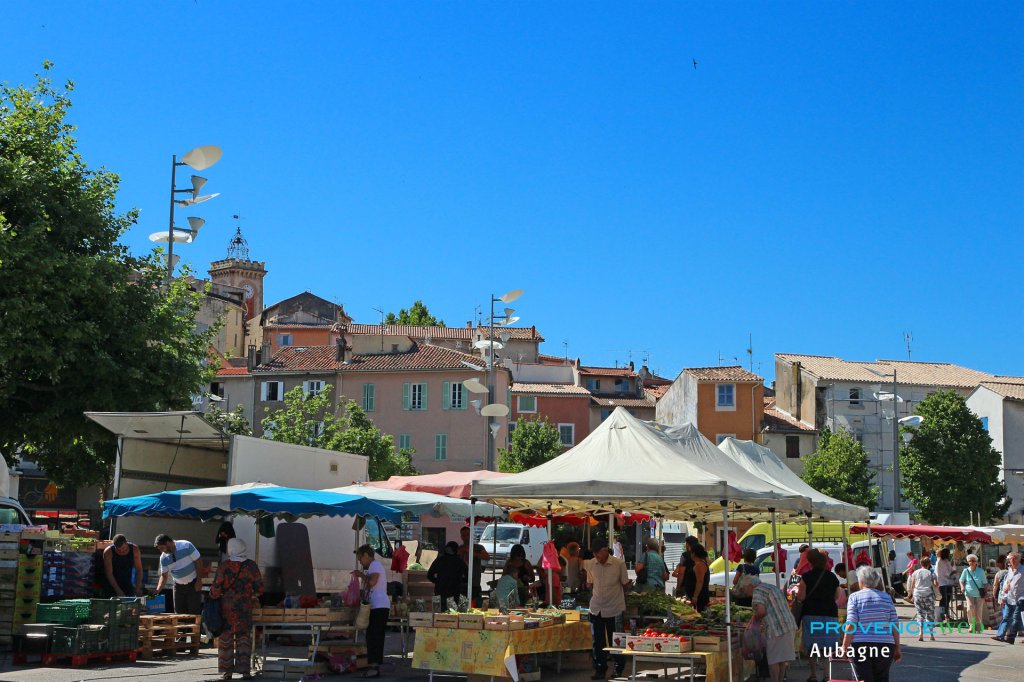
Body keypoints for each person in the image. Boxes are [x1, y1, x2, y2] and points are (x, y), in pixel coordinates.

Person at [209, 538, 263, 681]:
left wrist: (213, 595)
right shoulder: (251, 566)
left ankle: (227, 672)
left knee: (226, 639)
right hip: (245, 608)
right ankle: (245, 671)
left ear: (231, 549)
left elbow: (215, 589)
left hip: (226, 609)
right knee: (244, 638)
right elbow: (260, 588)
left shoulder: (224, 566)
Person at [841, 566, 901, 682]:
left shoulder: (854, 597)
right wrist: (897, 647)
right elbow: (894, 624)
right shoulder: (887, 598)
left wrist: (845, 646)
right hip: (885, 644)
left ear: (861, 581)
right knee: (882, 678)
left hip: (861, 644)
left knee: (864, 678)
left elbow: (851, 624)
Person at [737, 575, 796, 682]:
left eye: (744, 589)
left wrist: (753, 620)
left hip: (776, 628)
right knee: (782, 660)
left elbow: (761, 611)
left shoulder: (757, 591)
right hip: (789, 625)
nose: (745, 593)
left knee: (773, 660)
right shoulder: (771, 587)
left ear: (750, 586)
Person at [586, 540, 630, 681]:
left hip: (614, 607)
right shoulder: (591, 564)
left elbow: (624, 584)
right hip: (596, 607)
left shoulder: (619, 564)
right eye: (594, 553)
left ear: (606, 550)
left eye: (598, 552)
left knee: (615, 640)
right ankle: (600, 669)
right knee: (597, 641)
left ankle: (618, 668)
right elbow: (590, 583)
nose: (596, 555)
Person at [796, 548, 842, 682]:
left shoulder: (806, 577)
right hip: (830, 614)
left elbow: (801, 597)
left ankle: (813, 674)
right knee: (827, 647)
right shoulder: (832, 577)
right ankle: (827, 675)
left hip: (811, 614)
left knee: (812, 645)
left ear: (811, 562)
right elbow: (837, 596)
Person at [354, 544, 389, 679]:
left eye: (360, 558)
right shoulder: (373, 567)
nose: (360, 562)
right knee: (372, 637)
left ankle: (374, 667)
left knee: (374, 637)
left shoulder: (375, 565)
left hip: (379, 606)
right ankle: (374, 666)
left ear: (366, 555)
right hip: (376, 606)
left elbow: (372, 582)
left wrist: (361, 575)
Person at [153, 533, 203, 616]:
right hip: (178, 587)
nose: (161, 551)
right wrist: (157, 590)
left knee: (194, 612)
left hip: (193, 584)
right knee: (179, 614)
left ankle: (195, 629)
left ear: (168, 543)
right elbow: (164, 576)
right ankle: (182, 630)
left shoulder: (186, 545)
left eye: (162, 548)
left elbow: (199, 561)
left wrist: (199, 580)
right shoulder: (163, 558)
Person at [994, 552, 1024, 643]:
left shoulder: (1023, 570)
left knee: (1015, 618)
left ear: (1019, 559)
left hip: (1020, 598)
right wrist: (1003, 598)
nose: (1012, 560)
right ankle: (1000, 635)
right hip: (1009, 598)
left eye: (1014, 558)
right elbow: (1006, 586)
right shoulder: (1009, 570)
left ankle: (1010, 637)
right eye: (1011, 558)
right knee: (1006, 617)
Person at [673, 536, 710, 611]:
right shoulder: (698, 563)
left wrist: (695, 596)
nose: (690, 554)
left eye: (692, 552)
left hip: (700, 597)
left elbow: (700, 581)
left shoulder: (700, 564)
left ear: (694, 553)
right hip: (694, 596)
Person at [427, 541, 467, 608]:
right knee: (453, 615)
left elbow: (429, 575)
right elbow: (467, 577)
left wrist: (438, 581)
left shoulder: (439, 560)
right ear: (456, 550)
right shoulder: (460, 562)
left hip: (439, 592)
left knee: (437, 616)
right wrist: (459, 581)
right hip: (454, 593)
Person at [907, 556, 937, 642]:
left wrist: (911, 595)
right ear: (929, 564)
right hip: (928, 594)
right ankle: (931, 634)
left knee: (920, 614)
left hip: (918, 594)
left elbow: (912, 585)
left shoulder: (915, 572)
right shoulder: (931, 573)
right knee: (930, 614)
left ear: (920, 564)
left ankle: (921, 633)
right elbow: (935, 584)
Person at [959, 553, 988, 634]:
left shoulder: (981, 571)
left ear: (976, 562)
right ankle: (971, 624)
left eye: (973, 561)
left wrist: (985, 592)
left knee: (978, 610)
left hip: (979, 593)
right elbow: (961, 580)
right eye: (969, 561)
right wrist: (962, 587)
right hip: (968, 592)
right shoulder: (966, 571)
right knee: (970, 608)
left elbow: (985, 583)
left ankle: (978, 626)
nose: (971, 562)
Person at [935, 547, 956, 621]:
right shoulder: (944, 562)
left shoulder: (939, 561)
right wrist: (954, 572)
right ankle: (946, 616)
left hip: (943, 583)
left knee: (944, 600)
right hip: (945, 583)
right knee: (946, 600)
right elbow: (949, 572)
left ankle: (943, 615)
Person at [992, 555, 1010, 638]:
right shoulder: (1011, 572)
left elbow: (995, 585)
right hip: (1011, 596)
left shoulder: (999, 573)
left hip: (1002, 596)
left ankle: (1004, 631)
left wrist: (993, 594)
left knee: (1004, 614)